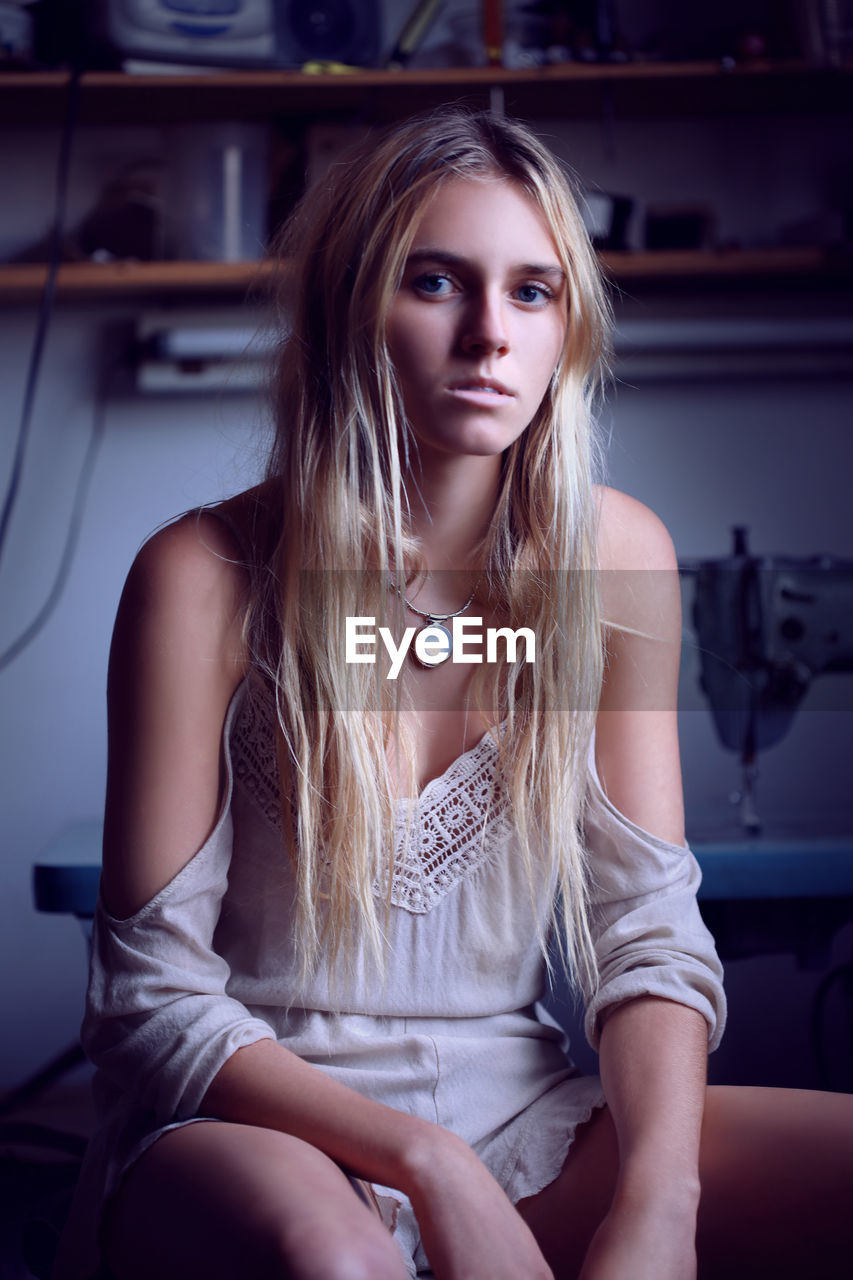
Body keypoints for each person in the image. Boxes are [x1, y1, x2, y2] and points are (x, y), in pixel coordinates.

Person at [54, 109, 853, 1280]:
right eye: (436, 281)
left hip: (525, 1111)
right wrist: (429, 1162)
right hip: (247, 1122)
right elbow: (150, 999)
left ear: (566, 329)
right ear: (349, 308)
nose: (489, 333)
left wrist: (659, 1205)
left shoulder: (616, 562)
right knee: (340, 1262)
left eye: (532, 291)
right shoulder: (202, 576)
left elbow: (647, 933)